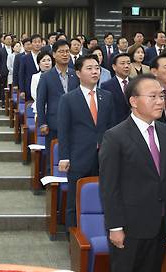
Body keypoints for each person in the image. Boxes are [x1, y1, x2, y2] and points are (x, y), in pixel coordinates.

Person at [99, 74, 166, 272]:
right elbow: (110, 187)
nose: (159, 101)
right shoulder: (115, 136)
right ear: (133, 101)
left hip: (160, 223)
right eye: (152, 96)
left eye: (162, 95)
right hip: (130, 226)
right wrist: (115, 226)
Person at [58, 55, 116, 228]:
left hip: (104, 157)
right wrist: (64, 157)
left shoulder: (107, 97)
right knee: (75, 200)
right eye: (89, 68)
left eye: (97, 68)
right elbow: (64, 131)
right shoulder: (68, 99)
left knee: (104, 197)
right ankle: (73, 236)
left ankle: (99, 230)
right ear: (78, 73)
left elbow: (112, 128)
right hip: (78, 157)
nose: (94, 71)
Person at [37, 40, 79, 174]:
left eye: (67, 51)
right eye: (61, 52)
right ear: (54, 54)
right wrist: (43, 123)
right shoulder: (46, 77)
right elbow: (40, 101)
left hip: (74, 123)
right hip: (54, 123)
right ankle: (52, 188)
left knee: (73, 155)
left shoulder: (75, 75)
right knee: (53, 156)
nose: (65, 54)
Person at [101, 53, 132, 124]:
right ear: (114, 67)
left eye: (128, 63)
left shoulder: (137, 83)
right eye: (122, 63)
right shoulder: (106, 86)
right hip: (116, 126)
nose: (126, 66)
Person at [19, 34, 43, 100]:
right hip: (29, 89)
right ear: (31, 44)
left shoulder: (46, 56)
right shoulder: (24, 58)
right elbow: (21, 75)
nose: (37, 44)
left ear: (42, 43)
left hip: (44, 89)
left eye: (39, 42)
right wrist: (22, 90)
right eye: (35, 42)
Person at [0, 34, 13, 107]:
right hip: (4, 71)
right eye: (7, 39)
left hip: (13, 72)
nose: (9, 40)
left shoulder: (14, 49)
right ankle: (4, 102)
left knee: (12, 88)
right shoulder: (1, 50)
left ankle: (12, 103)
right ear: (4, 40)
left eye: (10, 39)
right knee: (4, 88)